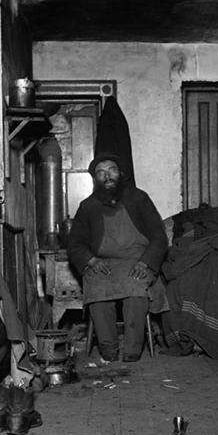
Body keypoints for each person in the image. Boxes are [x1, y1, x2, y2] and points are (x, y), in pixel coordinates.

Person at [68, 153, 169, 362]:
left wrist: (146, 262)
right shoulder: (88, 206)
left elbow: (159, 237)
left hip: (139, 261)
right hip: (104, 264)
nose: (107, 176)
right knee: (96, 285)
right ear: (95, 179)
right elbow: (75, 243)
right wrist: (91, 261)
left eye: (111, 170)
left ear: (121, 173)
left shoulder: (139, 198)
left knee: (135, 286)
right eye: (101, 172)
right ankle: (108, 349)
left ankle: (133, 349)